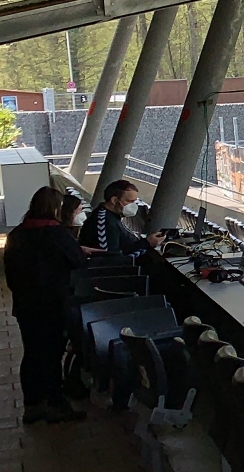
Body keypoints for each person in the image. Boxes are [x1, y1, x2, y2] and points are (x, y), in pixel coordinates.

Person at [5, 186, 86, 423]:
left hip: (25, 304)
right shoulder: (57, 234)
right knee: (52, 354)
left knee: (32, 353)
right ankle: (55, 403)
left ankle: (32, 405)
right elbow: (78, 262)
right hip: (53, 305)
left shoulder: (18, 233)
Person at [86, 179, 165, 257]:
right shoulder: (106, 222)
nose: (134, 205)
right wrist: (146, 243)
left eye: (134, 201)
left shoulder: (113, 216)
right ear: (114, 200)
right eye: (130, 201)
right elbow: (110, 257)